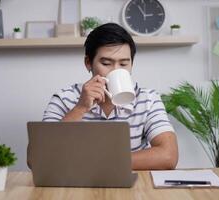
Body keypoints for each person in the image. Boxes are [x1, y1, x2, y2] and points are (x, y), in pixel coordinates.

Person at [42, 23, 178, 170]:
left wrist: (99, 163)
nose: (116, 70)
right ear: (88, 63)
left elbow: (168, 156)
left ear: (132, 64)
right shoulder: (64, 98)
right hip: (77, 187)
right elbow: (37, 157)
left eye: (124, 64)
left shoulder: (148, 99)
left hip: (133, 187)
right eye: (106, 63)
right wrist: (80, 108)